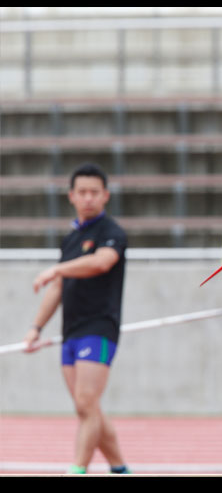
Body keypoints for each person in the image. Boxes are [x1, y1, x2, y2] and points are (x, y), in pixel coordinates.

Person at [23, 163, 130, 475]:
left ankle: (78, 469)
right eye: (81, 192)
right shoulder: (71, 238)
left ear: (105, 195)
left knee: (86, 403)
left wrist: (57, 268)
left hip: (99, 328)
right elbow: (58, 288)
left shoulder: (112, 232)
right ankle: (120, 468)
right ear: (71, 196)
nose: (87, 198)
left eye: (94, 192)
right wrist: (35, 328)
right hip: (71, 331)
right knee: (88, 408)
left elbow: (101, 263)